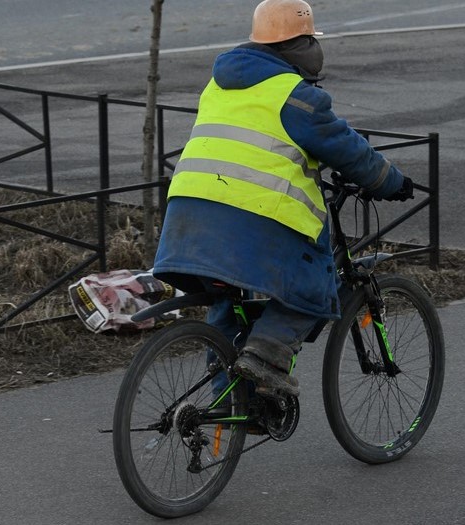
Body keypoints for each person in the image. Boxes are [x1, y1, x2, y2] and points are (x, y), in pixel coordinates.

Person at [152, 0, 413, 399]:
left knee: (228, 296)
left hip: (188, 215)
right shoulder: (294, 95)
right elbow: (348, 150)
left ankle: (231, 397)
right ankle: (266, 356)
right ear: (301, 44)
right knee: (314, 287)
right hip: (251, 220)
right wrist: (390, 181)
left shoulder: (218, 84)